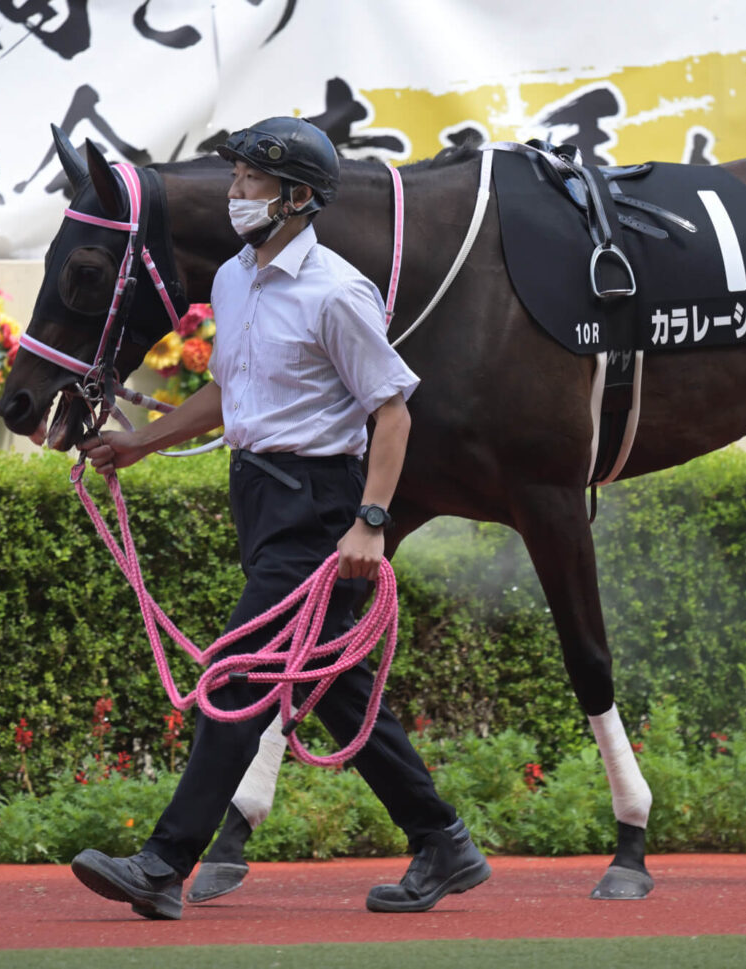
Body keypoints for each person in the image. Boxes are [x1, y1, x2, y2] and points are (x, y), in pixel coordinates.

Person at [70, 116, 490, 919]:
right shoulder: (233, 278)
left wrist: (370, 521)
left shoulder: (338, 291)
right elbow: (230, 389)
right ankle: (442, 840)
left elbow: (394, 413)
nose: (234, 192)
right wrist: (142, 443)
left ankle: (163, 863)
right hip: (258, 494)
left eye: (249, 181)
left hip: (319, 504)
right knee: (329, 681)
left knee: (242, 674)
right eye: (234, 179)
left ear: (298, 197)